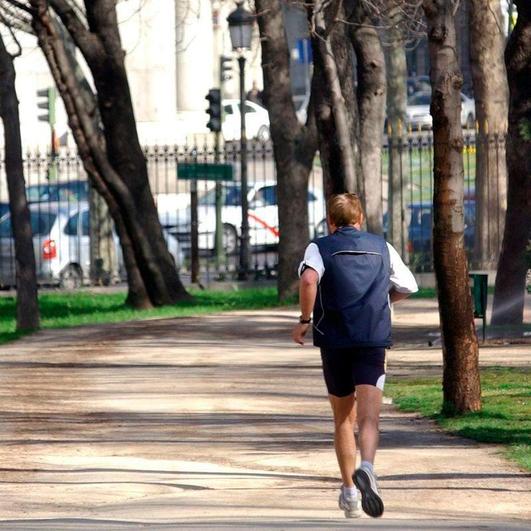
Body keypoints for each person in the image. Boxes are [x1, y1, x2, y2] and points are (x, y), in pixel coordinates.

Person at [292, 193, 418, 519]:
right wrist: (383, 301)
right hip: (373, 338)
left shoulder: (319, 247)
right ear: (360, 219)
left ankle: (349, 492)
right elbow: (407, 285)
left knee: (343, 419)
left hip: (334, 340)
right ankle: (368, 468)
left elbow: (308, 279)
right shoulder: (382, 247)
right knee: (369, 418)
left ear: (331, 222)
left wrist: (305, 320)